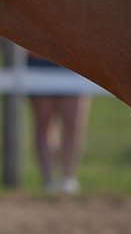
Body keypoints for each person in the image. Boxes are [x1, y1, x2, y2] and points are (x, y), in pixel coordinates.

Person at [27, 51, 91, 194]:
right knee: (44, 122)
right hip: (40, 60)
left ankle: (68, 179)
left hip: (74, 60)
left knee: (74, 123)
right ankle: (48, 180)